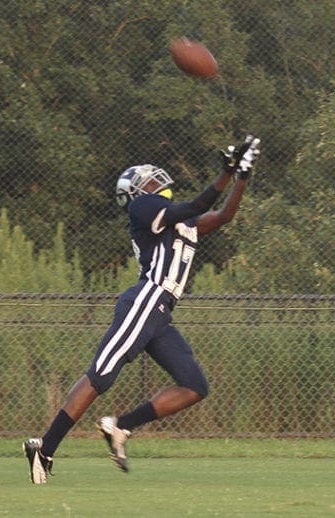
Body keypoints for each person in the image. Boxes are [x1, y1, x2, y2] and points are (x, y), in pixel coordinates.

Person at [24, 134, 261, 484]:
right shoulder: (142, 208)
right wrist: (224, 173)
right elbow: (195, 205)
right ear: (135, 191)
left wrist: (242, 175)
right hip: (146, 299)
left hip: (161, 311)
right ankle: (44, 446)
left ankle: (121, 426)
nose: (154, 182)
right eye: (146, 181)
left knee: (194, 385)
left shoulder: (183, 223)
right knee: (101, 375)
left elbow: (224, 214)